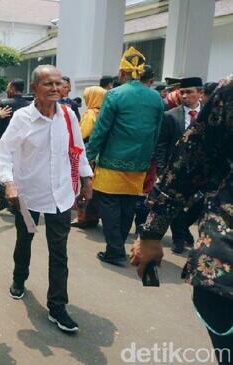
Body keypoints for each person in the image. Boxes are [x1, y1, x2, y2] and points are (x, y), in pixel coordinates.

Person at [132, 75, 233, 365]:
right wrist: (151, 232)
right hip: (225, 267)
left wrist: (151, 233)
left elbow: (190, 162)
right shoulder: (227, 93)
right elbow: (188, 162)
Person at [0, 65, 93, 334]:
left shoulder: (69, 114)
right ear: (35, 88)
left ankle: (58, 306)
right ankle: (19, 278)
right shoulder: (21, 119)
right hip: (27, 194)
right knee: (24, 240)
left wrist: (87, 180)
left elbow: (78, 149)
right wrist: (9, 183)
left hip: (61, 194)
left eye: (58, 83)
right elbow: (4, 153)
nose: (55, 89)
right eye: (48, 84)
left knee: (59, 252)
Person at [86, 47, 164, 266]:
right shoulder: (156, 98)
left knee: (109, 204)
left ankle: (115, 250)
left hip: (113, 160)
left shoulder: (115, 94)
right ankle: (117, 246)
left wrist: (90, 155)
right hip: (140, 162)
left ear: (122, 72)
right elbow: (156, 133)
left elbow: (101, 129)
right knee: (129, 204)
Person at [154, 77, 204, 254]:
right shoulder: (171, 115)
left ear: (200, 93)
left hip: (203, 172)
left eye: (189, 92)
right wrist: (161, 170)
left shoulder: (209, 115)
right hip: (176, 170)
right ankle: (178, 238)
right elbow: (161, 145)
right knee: (176, 203)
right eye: (182, 92)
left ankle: (183, 230)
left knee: (198, 205)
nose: (184, 96)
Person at [0, 79, 29, 213]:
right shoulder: (29, 105)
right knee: (18, 172)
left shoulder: (5, 104)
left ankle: (7, 199)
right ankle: (8, 201)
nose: (6, 90)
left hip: (5, 144)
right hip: (24, 145)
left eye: (8, 87)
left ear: (12, 88)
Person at [71, 85, 106, 228]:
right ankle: (94, 216)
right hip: (103, 154)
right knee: (96, 188)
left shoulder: (90, 114)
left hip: (89, 154)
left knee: (86, 186)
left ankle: (83, 218)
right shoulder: (104, 113)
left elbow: (81, 134)